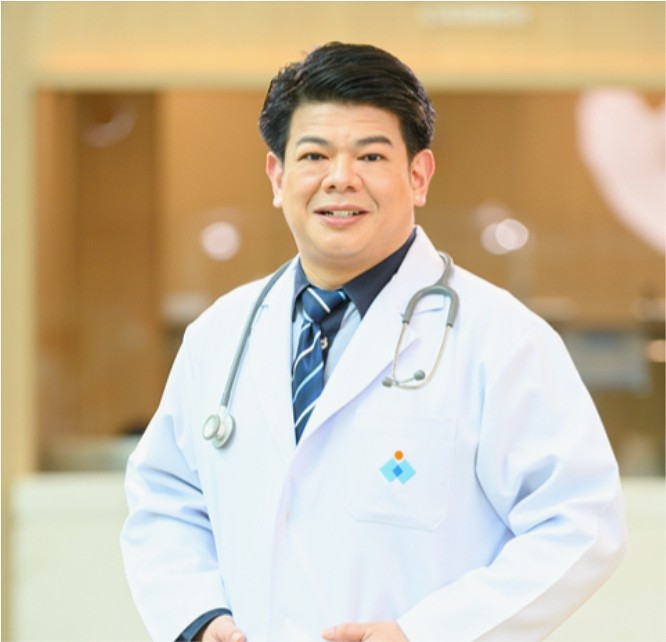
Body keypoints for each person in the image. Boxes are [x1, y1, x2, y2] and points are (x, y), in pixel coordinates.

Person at [121, 42, 626, 642]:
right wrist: (200, 618)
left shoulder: (501, 338)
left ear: (418, 176)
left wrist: (425, 633)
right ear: (278, 177)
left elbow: (579, 523)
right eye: (314, 155)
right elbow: (165, 502)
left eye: (370, 155)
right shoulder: (221, 334)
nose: (340, 178)